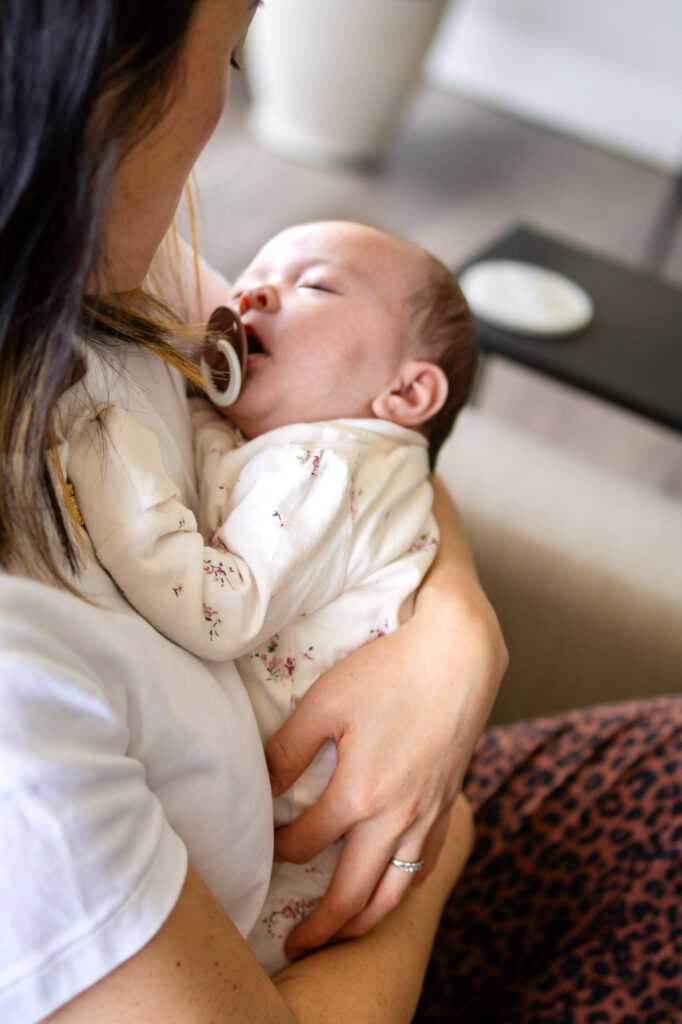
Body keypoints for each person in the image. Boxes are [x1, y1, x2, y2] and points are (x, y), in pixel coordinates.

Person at [3, 4, 680, 1023]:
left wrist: (454, 638)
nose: (246, 299)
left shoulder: (103, 252)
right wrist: (438, 850)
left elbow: (349, 441)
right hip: (325, 935)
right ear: (88, 90)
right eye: (229, 50)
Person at [65, 218, 478, 974]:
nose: (251, 291)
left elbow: (221, 609)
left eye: (315, 284)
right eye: (256, 269)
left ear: (408, 389)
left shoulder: (334, 463)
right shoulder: (294, 446)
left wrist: (102, 445)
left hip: (318, 846)